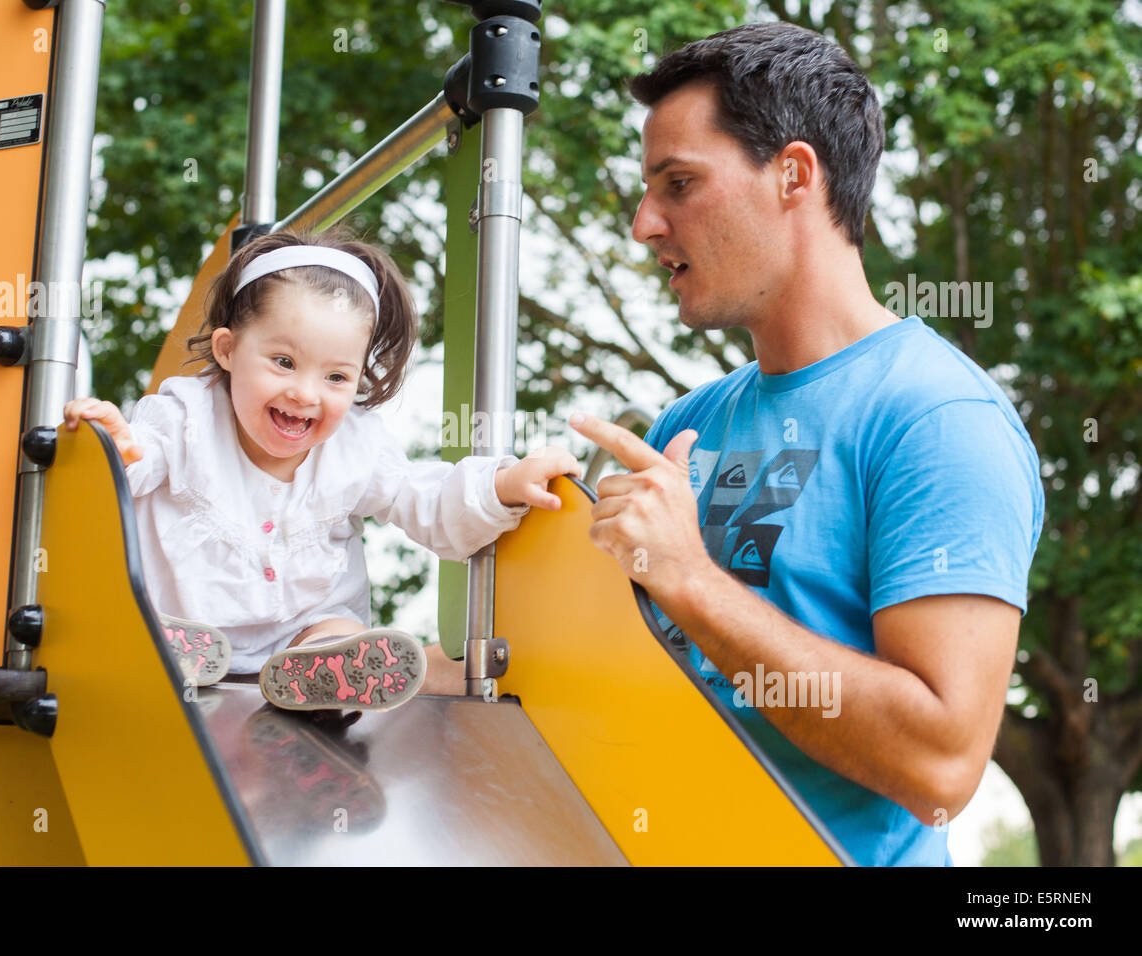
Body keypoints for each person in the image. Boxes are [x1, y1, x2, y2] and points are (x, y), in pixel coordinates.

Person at [568, 22, 1043, 866]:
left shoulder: (938, 419)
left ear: (793, 174)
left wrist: (688, 579)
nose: (644, 223)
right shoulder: (684, 426)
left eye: (679, 183)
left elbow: (939, 768)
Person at [64, 228, 579, 713]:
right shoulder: (184, 416)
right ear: (228, 349)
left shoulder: (356, 444)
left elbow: (424, 498)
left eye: (336, 376)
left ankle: (332, 673)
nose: (305, 394)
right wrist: (119, 448)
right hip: (188, 625)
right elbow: (138, 463)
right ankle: (154, 645)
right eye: (284, 362)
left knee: (335, 627)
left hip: (297, 642)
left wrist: (502, 486)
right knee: (147, 614)